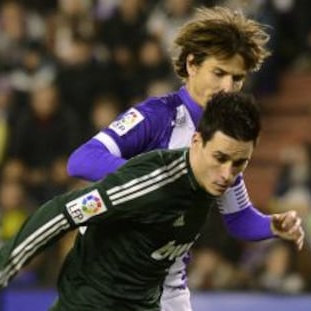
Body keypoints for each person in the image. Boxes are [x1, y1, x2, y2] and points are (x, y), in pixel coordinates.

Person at [0, 92, 304, 311]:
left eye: (240, 163)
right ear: (196, 143)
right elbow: (61, 212)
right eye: (221, 158)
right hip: (91, 305)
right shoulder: (151, 181)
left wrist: (273, 225)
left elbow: (239, 219)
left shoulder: (213, 181)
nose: (228, 174)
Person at [67, 6, 271, 311]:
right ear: (192, 64)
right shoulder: (157, 116)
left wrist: (276, 225)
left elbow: (239, 218)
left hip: (169, 290)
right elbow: (82, 159)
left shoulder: (225, 144)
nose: (228, 87)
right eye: (219, 73)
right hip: (109, 282)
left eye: (237, 78)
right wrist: (149, 180)